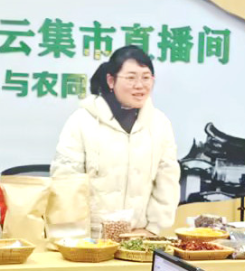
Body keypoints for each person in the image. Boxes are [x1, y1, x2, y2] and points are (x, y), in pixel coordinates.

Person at [51, 45, 181, 238]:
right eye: (131, 78)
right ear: (111, 80)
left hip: (139, 237)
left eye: (146, 77)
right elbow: (66, 182)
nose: (140, 85)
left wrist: (152, 229)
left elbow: (167, 179)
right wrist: (79, 238)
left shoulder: (160, 124)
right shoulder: (82, 121)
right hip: (90, 238)